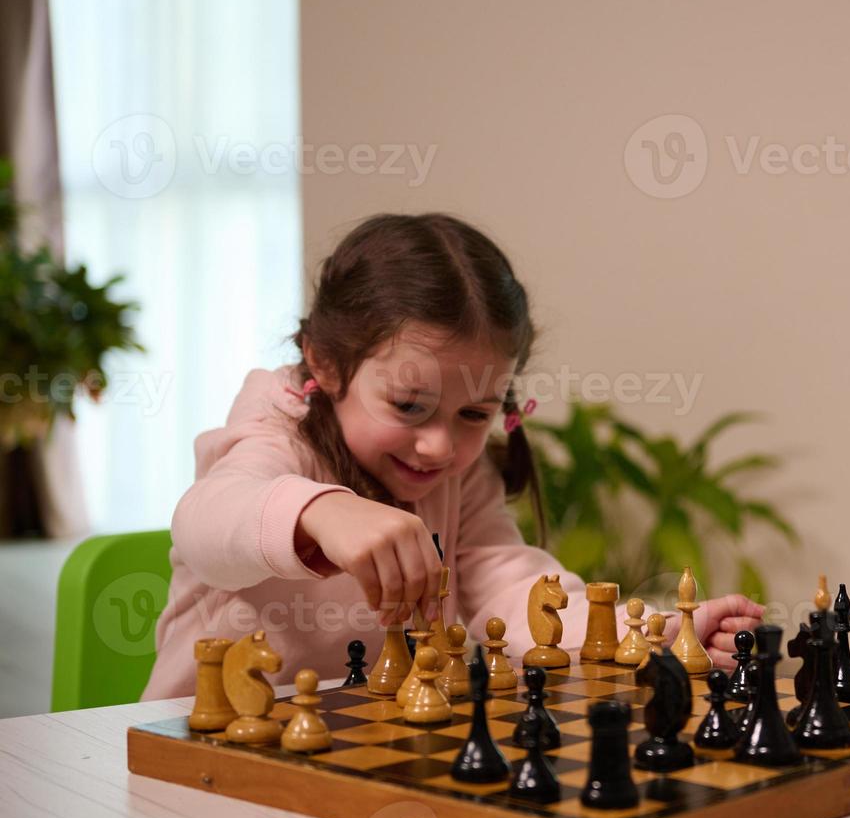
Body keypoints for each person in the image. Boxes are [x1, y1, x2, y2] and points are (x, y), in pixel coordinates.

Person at [144, 213, 761, 699]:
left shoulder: (459, 478)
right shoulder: (278, 432)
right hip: (202, 744)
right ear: (327, 364)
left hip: (355, 744)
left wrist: (653, 632)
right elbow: (206, 520)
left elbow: (516, 593)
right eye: (409, 406)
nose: (440, 446)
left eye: (474, 415)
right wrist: (322, 513)